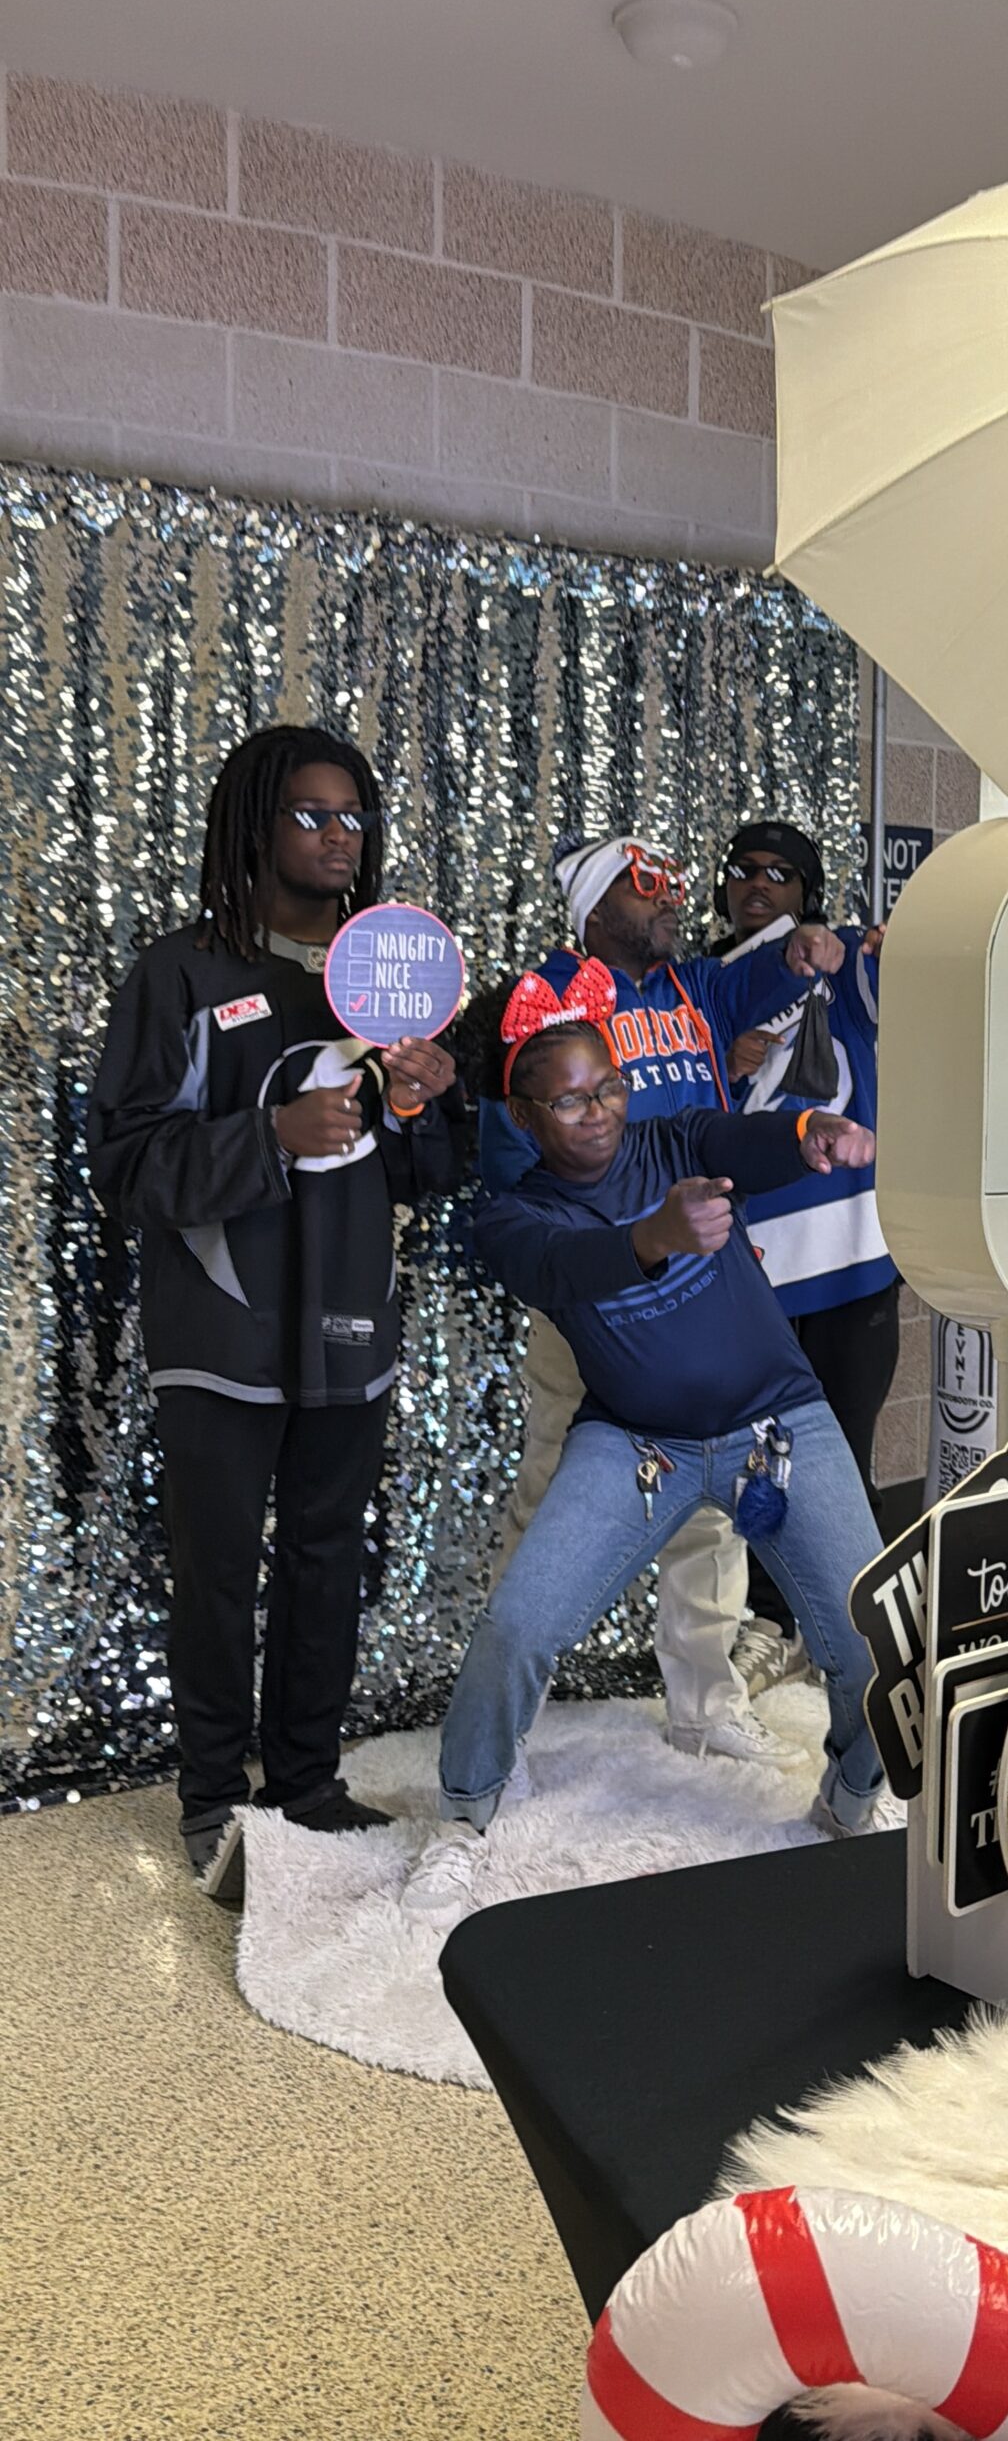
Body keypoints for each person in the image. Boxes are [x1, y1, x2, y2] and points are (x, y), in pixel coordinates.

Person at [404, 964, 886, 1924]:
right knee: (517, 1628)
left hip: (777, 1427)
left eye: (609, 1086)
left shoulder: (674, 1137)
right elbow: (563, 1263)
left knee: (876, 1635)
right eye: (569, 1100)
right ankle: (462, 1820)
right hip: (636, 1445)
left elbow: (746, 1136)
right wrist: (655, 1235)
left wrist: (811, 1134)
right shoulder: (512, 1215)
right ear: (526, 1117)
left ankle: (852, 1800)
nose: (598, 1111)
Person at [89, 725, 465, 1896]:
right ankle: (212, 1797)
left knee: (327, 1558)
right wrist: (267, 1134)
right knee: (215, 1570)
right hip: (220, 1333)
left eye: (351, 816)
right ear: (254, 827)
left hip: (347, 1328)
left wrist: (414, 1105)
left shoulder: (386, 989)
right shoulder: (182, 976)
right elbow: (123, 1162)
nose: (337, 836)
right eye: (311, 814)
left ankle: (304, 1779)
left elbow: (425, 1175)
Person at [468, 832, 848, 1767]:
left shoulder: (695, 987)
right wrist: (590, 1255)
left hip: (706, 1278)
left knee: (716, 1500)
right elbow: (515, 1166)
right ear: (595, 909)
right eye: (646, 890)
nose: (672, 899)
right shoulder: (541, 1003)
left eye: (674, 886)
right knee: (555, 1485)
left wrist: (811, 946)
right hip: (597, 1291)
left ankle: (704, 1700)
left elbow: (776, 972)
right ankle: (510, 1706)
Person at [712, 822, 898, 1697]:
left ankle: (851, 1629)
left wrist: (898, 951)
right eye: (743, 872)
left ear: (807, 888)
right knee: (763, 1462)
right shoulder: (707, 980)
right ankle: (771, 1624)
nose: (759, 885)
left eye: (779, 873)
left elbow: (897, 990)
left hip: (855, 1257)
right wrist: (726, 1055)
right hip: (755, 1267)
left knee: (845, 1455)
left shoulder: (839, 960)